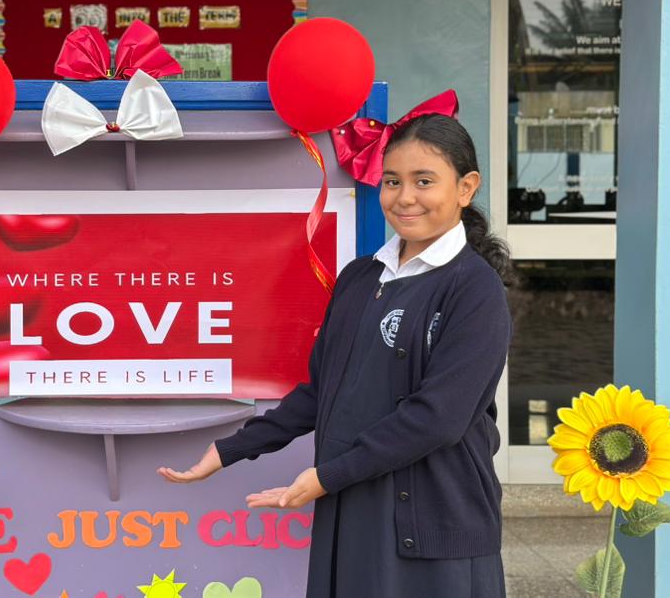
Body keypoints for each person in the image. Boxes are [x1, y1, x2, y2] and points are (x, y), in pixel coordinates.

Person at [159, 114, 513, 598]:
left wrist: (327, 476)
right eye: (392, 181)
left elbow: (439, 418)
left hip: (435, 520)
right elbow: (322, 391)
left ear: (466, 188)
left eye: (424, 181)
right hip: (355, 504)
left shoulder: (474, 289)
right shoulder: (360, 278)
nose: (404, 197)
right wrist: (230, 450)